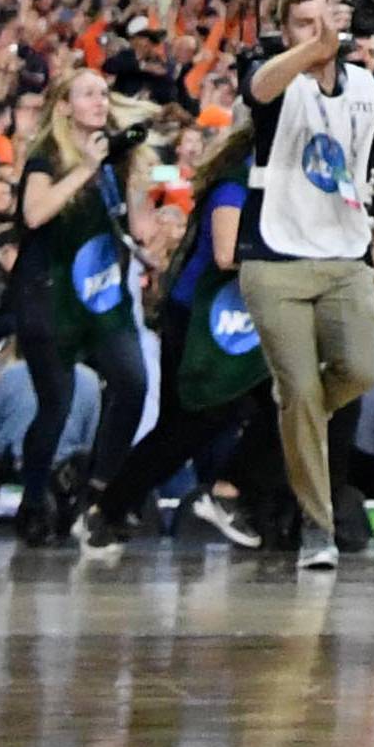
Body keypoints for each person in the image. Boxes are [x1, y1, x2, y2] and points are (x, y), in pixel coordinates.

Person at [237, 0, 374, 570]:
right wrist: (312, 49)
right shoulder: (269, 72)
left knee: (362, 370)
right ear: (285, 32)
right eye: (303, 25)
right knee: (301, 389)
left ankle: (295, 424)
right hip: (274, 260)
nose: (318, 34)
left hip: (342, 260)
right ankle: (316, 525)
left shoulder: (365, 89)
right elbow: (259, 88)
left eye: (324, 23)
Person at [78, 122, 274, 555]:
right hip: (198, 321)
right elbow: (226, 253)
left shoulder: (268, 184)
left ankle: (113, 510)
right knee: (191, 426)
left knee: (259, 408)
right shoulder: (236, 183)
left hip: (228, 322)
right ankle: (214, 495)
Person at [10, 69, 154, 549]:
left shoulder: (112, 160)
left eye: (104, 92)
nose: (100, 100)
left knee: (133, 382)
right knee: (57, 403)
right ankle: (33, 502)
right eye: (88, 92)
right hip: (48, 293)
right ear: (65, 106)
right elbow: (34, 214)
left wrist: (136, 176)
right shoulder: (47, 157)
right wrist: (84, 170)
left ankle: (98, 491)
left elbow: (142, 229)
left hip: (102, 293)